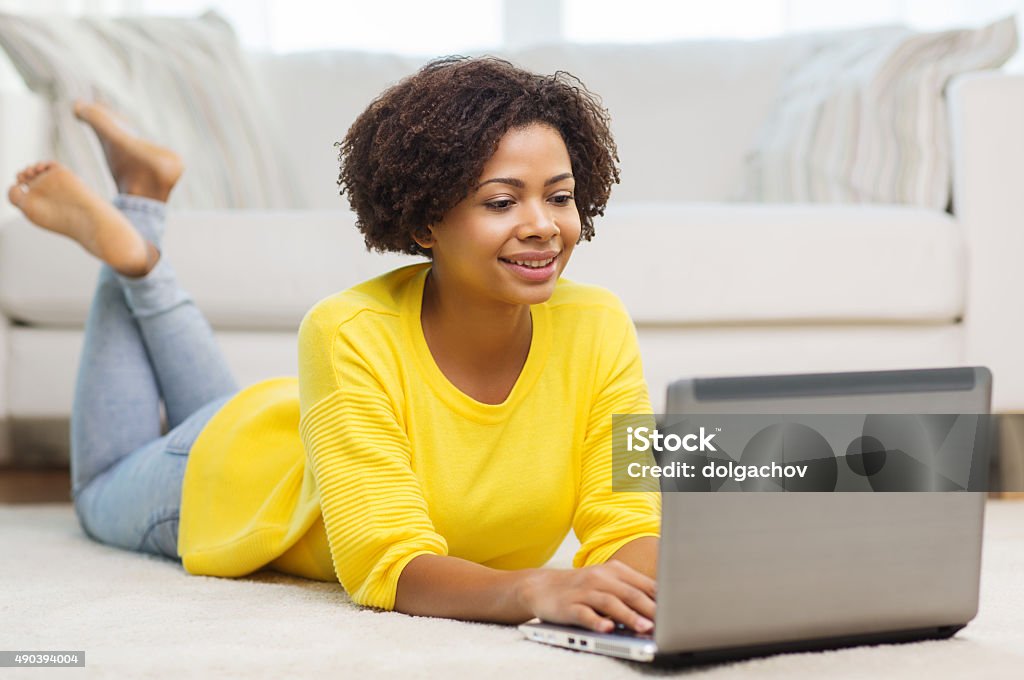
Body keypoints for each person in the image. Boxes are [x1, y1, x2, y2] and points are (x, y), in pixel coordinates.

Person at [7, 56, 660, 635]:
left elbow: (630, 520)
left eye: (560, 197)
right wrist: (530, 587)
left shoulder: (599, 323)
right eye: (501, 202)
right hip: (228, 475)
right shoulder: (347, 330)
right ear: (427, 218)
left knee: (219, 409)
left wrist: (648, 602)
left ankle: (142, 205)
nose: (544, 226)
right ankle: (134, 247)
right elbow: (384, 562)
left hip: (297, 433)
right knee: (95, 495)